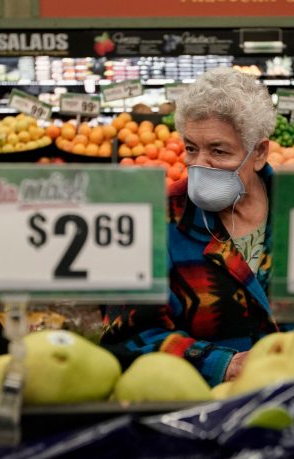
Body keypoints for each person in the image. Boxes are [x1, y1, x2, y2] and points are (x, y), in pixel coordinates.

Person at [100, 67, 279, 386]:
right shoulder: (158, 218)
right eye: (192, 148)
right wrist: (222, 363)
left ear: (259, 153)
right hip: (196, 406)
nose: (199, 165)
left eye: (219, 151)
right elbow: (128, 333)